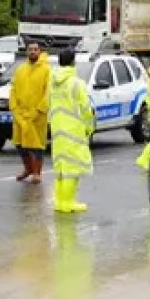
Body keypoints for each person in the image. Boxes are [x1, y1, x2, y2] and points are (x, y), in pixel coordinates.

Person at [48, 49, 95, 213]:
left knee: (60, 167)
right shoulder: (77, 83)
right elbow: (86, 108)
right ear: (73, 62)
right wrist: (90, 125)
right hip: (73, 129)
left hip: (57, 128)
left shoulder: (52, 81)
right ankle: (68, 203)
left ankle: (60, 202)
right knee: (72, 169)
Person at [9, 41, 51, 184]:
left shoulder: (46, 70)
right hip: (21, 115)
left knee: (36, 145)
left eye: (35, 49)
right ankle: (28, 168)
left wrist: (40, 109)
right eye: (30, 49)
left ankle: (37, 173)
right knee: (20, 144)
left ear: (40, 51)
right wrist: (14, 108)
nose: (32, 52)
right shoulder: (20, 69)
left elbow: (48, 92)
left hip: (37, 115)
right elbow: (13, 90)